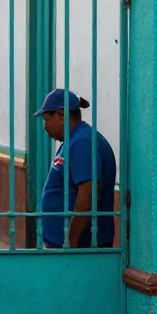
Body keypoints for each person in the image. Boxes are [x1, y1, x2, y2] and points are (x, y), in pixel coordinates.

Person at [32, 89, 117, 248]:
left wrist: (71, 241)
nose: (45, 127)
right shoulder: (73, 140)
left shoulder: (83, 143)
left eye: (46, 120)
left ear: (61, 115)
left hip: (78, 249)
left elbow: (88, 194)